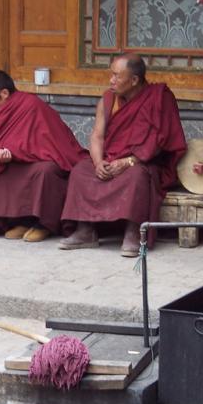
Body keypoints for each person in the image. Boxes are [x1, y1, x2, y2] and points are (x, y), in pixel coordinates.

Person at [59, 54, 187, 257]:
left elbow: (159, 141)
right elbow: (97, 136)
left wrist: (128, 161)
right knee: (81, 171)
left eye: (117, 76)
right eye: (111, 75)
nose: (111, 81)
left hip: (143, 160)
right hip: (110, 157)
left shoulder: (159, 97)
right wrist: (98, 162)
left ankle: (134, 232)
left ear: (134, 80)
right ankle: (85, 230)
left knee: (135, 177)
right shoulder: (108, 100)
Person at [0, 70, 87, 241]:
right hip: (24, 156)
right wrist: (7, 154)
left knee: (44, 171)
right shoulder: (3, 111)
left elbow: (41, 143)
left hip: (50, 158)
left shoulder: (29, 105)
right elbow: (3, 140)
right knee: (6, 170)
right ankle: (22, 221)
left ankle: (45, 224)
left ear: (4, 93)